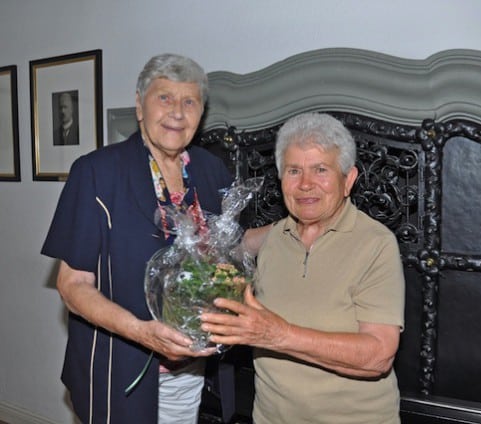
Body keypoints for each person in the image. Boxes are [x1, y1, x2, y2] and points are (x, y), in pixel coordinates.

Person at [41, 53, 269, 424]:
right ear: (139, 104)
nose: (177, 112)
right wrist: (143, 333)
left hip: (191, 367)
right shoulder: (97, 172)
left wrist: (290, 228)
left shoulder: (211, 170)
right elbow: (73, 286)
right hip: (122, 366)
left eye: (189, 101)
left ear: (201, 112)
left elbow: (230, 249)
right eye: (164, 97)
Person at [201, 112, 406, 423]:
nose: (306, 184)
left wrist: (277, 334)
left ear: (348, 179)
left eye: (321, 169)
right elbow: (226, 249)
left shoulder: (376, 244)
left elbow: (378, 355)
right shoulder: (272, 239)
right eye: (294, 171)